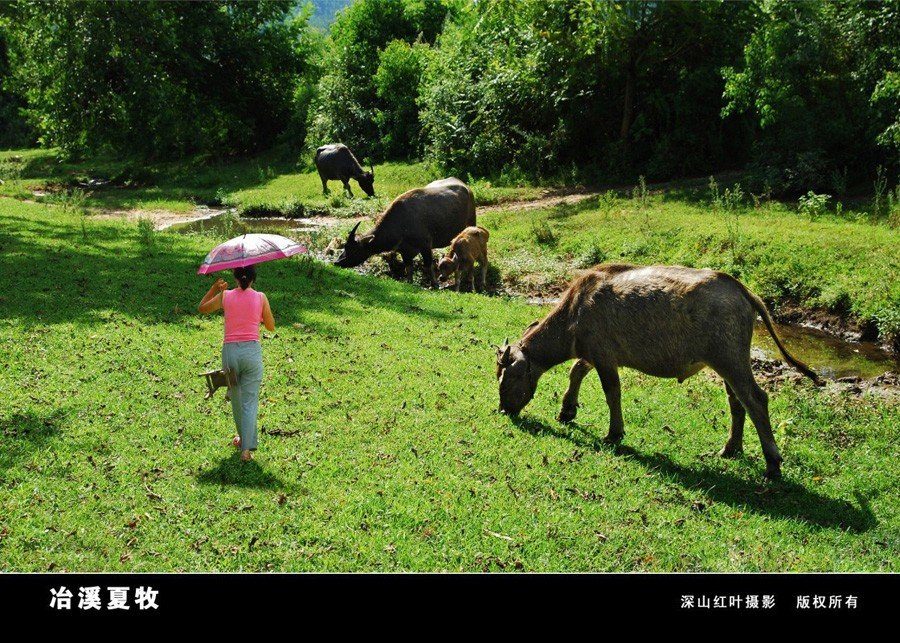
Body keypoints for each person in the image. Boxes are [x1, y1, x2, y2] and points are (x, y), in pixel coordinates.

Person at [198, 265, 275, 462]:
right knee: (250, 402)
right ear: (253, 280)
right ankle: (246, 450)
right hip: (252, 353)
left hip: (230, 353)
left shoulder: (226, 296)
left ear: (235, 279)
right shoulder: (260, 297)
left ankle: (244, 440)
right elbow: (271, 326)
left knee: (237, 399)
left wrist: (215, 288)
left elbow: (202, 308)